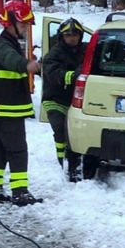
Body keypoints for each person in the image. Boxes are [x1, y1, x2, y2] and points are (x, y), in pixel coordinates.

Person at [0, 0, 43, 206]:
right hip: (9, 111)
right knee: (17, 150)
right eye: (24, 24)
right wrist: (27, 65)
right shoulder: (3, 46)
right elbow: (11, 61)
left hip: (1, 110)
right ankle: (20, 191)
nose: (26, 29)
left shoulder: (5, 43)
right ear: (10, 22)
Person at [42, 17, 90, 182]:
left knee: (75, 134)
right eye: (68, 34)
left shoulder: (86, 50)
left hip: (76, 102)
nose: (72, 37)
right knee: (61, 131)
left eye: (75, 34)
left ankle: (73, 166)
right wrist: (75, 75)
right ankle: (61, 164)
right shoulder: (53, 55)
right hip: (55, 100)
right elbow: (55, 75)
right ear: (61, 36)